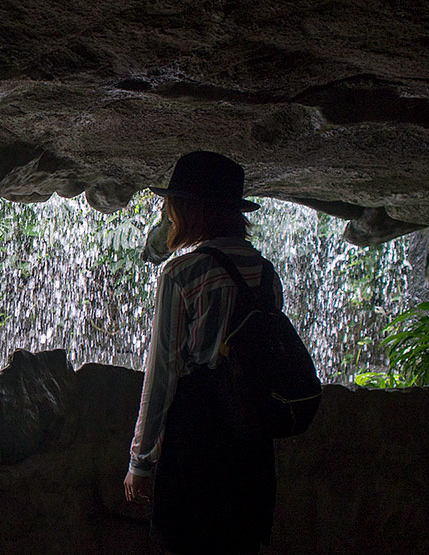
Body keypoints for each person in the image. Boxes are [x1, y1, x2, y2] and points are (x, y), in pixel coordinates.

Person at [123, 151, 282, 554]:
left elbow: (163, 374)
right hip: (253, 440)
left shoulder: (183, 273)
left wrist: (141, 461)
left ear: (190, 209)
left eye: (173, 204)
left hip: (198, 438)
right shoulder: (266, 272)